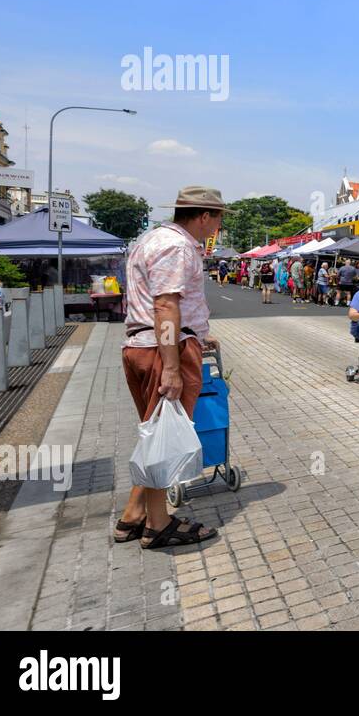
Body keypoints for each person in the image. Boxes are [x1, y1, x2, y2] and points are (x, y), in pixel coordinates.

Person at [115, 185, 224, 550]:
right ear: (205, 216)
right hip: (165, 349)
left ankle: (133, 515)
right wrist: (174, 366)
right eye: (218, 218)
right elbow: (164, 305)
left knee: (157, 432)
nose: (218, 226)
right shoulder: (178, 247)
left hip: (144, 344)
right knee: (164, 438)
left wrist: (195, 332)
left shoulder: (150, 240)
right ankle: (159, 524)